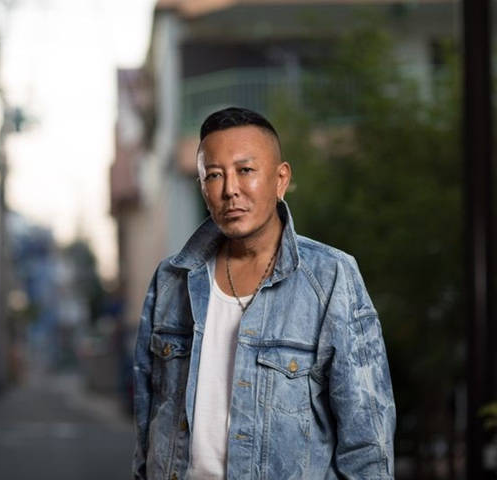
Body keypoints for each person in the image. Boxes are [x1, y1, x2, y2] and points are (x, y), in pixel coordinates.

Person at [132, 107, 396, 479]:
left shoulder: (330, 278)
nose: (230, 189)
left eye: (245, 170)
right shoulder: (171, 280)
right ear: (203, 187)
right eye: (214, 175)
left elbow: (367, 441)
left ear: (280, 179)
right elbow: (147, 420)